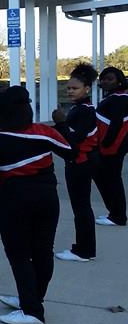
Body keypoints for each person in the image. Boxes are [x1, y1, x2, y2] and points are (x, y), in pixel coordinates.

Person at [0, 86, 73, 324]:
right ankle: (32, 299)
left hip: (13, 200)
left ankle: (32, 311)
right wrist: (62, 124)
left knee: (19, 254)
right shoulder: (44, 133)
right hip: (47, 199)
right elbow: (71, 152)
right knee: (43, 251)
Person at [51, 64, 100, 261]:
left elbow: (74, 140)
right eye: (69, 88)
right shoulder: (80, 108)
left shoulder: (85, 111)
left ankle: (84, 250)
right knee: (81, 207)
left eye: (75, 88)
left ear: (86, 89)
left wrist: (61, 123)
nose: (70, 91)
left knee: (81, 207)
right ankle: (85, 248)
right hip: (79, 162)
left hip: (81, 163)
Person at [94, 66, 128, 227]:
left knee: (112, 180)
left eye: (110, 79)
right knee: (109, 179)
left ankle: (118, 216)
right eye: (103, 79)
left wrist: (106, 143)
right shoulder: (114, 97)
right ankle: (114, 212)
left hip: (113, 147)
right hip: (111, 146)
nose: (106, 82)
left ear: (119, 81)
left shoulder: (119, 98)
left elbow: (117, 122)